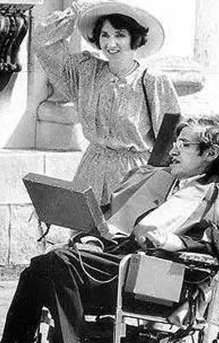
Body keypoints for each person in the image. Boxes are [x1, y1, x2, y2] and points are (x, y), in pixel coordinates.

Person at [0, 117, 219, 343]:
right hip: (124, 259)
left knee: (60, 261)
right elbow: (118, 222)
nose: (174, 150)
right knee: (38, 269)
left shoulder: (215, 193)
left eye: (184, 145)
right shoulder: (162, 179)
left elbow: (218, 247)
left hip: (155, 275)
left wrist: (171, 241)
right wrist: (95, 238)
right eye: (175, 142)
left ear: (211, 153)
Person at [34, 0, 180, 205]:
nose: (111, 43)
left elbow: (169, 142)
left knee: (123, 226)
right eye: (105, 35)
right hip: (91, 172)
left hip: (134, 177)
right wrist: (74, 11)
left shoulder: (153, 81)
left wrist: (155, 191)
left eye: (120, 35)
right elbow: (42, 43)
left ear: (135, 38)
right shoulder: (86, 72)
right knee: (85, 226)